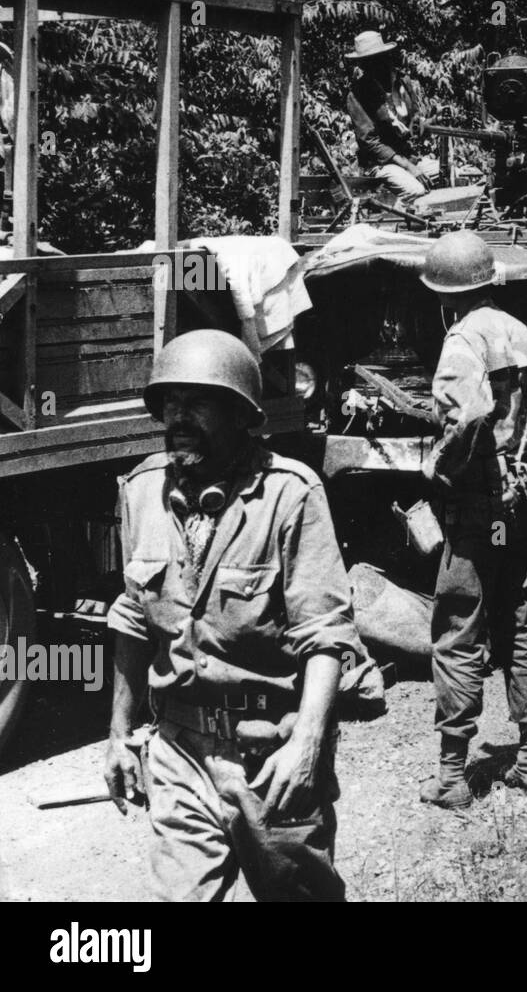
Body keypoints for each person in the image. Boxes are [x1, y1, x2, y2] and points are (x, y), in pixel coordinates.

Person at [104, 329, 361, 901]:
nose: (178, 416)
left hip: (267, 749)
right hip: (177, 751)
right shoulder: (143, 488)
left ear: (240, 413)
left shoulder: (290, 493)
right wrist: (120, 735)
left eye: (197, 402)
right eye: (169, 403)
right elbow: (131, 619)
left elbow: (326, 633)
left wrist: (309, 744)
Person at [417, 231, 527, 810]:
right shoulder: (517, 329)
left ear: (444, 294)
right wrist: (526, 456)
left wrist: (441, 471)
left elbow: (469, 415)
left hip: (477, 515)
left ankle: (451, 777)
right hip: (515, 513)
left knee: (458, 627)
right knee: (516, 620)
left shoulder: (461, 338)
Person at [344, 30, 439, 204]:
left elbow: (415, 120)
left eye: (380, 57)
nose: (377, 64)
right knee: (417, 191)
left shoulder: (402, 82)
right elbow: (370, 142)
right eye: (369, 61)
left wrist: (429, 123)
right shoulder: (358, 94)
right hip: (382, 164)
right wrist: (409, 167)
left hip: (409, 157)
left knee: (451, 173)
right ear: (363, 64)